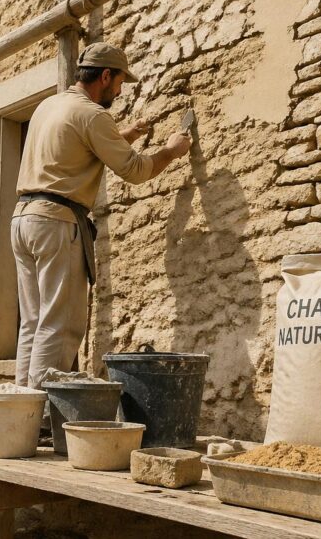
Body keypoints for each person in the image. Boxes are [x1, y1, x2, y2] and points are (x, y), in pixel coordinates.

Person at [12, 42, 192, 387]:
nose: (121, 90)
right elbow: (136, 171)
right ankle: (43, 412)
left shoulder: (50, 105)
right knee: (59, 322)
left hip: (24, 219)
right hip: (57, 221)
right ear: (105, 76)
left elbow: (73, 145)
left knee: (33, 321)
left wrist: (125, 135)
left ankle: (20, 407)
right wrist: (170, 152)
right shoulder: (94, 114)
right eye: (120, 81)